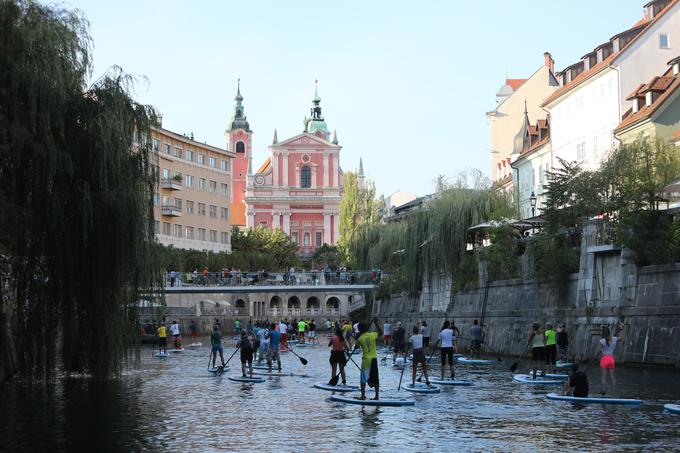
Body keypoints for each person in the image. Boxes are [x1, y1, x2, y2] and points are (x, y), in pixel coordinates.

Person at [355, 318, 382, 400]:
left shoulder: (360, 339)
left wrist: (357, 338)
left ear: (359, 330)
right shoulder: (372, 334)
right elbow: (381, 333)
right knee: (376, 377)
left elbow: (356, 347)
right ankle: (377, 396)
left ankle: (363, 395)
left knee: (363, 377)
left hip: (366, 360)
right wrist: (376, 324)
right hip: (374, 358)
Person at [596, 322, 624, 395]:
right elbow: (621, 338)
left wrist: (597, 353)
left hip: (604, 359)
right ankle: (614, 392)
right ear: (609, 332)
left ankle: (603, 391)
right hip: (611, 359)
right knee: (612, 377)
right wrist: (621, 329)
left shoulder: (601, 341)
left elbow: (597, 351)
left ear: (603, 333)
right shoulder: (614, 339)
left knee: (603, 377)